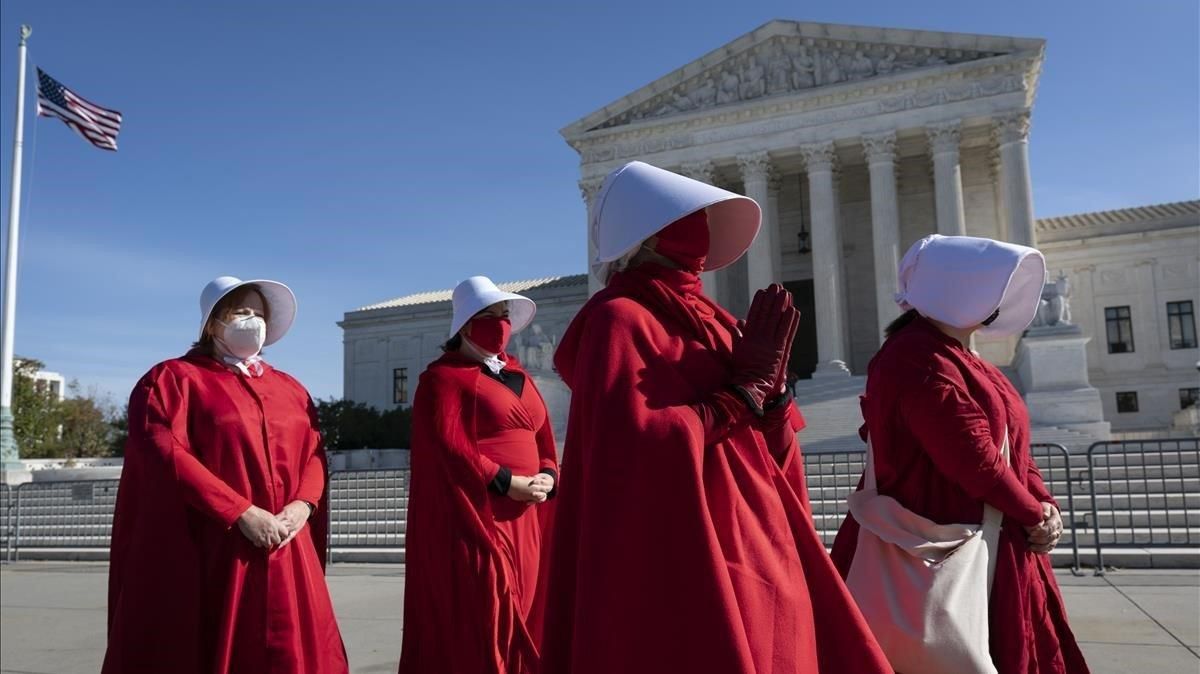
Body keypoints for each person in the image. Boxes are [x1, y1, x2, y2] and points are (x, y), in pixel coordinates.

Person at [538, 161, 892, 673]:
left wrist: (772, 397)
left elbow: (771, 452)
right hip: (691, 553)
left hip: (761, 541)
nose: (702, 228)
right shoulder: (617, 319)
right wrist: (741, 394)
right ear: (650, 233)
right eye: (688, 216)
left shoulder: (720, 323)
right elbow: (635, 447)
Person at [830, 235, 1090, 673]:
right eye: (992, 285)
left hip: (993, 539)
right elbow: (972, 458)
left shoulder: (962, 357)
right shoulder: (917, 356)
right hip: (946, 543)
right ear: (958, 288)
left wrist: (1045, 504)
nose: (1001, 298)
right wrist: (1032, 513)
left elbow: (1011, 448)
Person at [103, 276, 348, 674]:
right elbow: (162, 450)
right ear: (214, 323)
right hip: (217, 546)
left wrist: (303, 505)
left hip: (287, 541)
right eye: (241, 311)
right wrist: (240, 512)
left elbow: (315, 453)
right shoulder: (172, 380)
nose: (253, 320)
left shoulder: (291, 389)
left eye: (260, 313)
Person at [399, 276, 559, 674]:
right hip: (480, 517)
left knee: (528, 605)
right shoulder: (441, 379)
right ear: (466, 325)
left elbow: (544, 436)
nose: (502, 323)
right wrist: (507, 482)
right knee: (490, 614)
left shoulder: (520, 376)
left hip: (529, 518)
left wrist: (548, 475)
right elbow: (448, 448)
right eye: (491, 315)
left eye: (505, 315)